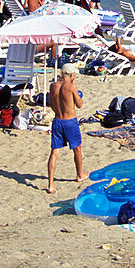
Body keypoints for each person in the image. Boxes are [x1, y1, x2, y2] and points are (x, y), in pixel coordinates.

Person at [46, 63, 87, 193]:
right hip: (70, 121)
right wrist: (76, 89)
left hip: (57, 120)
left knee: (54, 152)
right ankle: (79, 175)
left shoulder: (53, 86)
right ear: (71, 75)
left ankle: (51, 184)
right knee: (77, 150)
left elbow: (52, 104)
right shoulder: (71, 86)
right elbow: (79, 104)